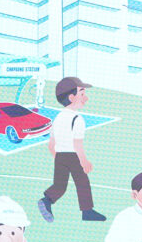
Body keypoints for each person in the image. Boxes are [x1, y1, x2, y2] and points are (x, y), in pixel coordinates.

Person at [37, 76, 106, 223]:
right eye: (82, 94)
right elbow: (77, 144)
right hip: (73, 156)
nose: (86, 98)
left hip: (60, 156)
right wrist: (84, 161)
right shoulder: (77, 119)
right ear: (71, 97)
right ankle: (87, 212)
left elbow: (51, 145)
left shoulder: (57, 118)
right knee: (82, 182)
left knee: (60, 185)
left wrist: (59, 159)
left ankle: (47, 200)